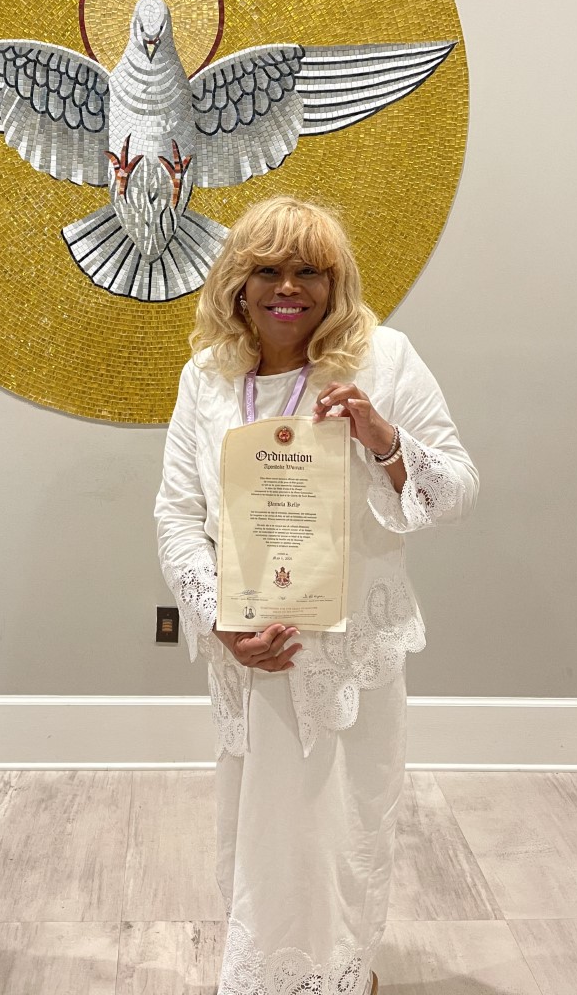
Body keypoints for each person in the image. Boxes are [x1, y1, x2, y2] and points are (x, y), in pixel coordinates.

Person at [154, 194, 478, 995]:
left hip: (351, 658)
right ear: (238, 282)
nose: (287, 287)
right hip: (255, 653)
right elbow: (176, 513)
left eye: (309, 271)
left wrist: (383, 440)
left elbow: (459, 487)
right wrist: (220, 620)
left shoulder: (386, 362)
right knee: (262, 833)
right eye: (267, 269)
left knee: (347, 828)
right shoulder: (209, 379)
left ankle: (341, 974)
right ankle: (263, 976)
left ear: (337, 284)